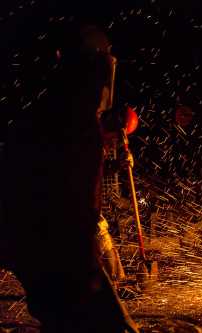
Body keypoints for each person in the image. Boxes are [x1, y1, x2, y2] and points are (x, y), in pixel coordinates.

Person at [2, 24, 139, 332]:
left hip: (44, 251)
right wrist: (90, 272)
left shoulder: (51, 113)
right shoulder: (71, 125)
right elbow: (70, 209)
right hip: (57, 256)